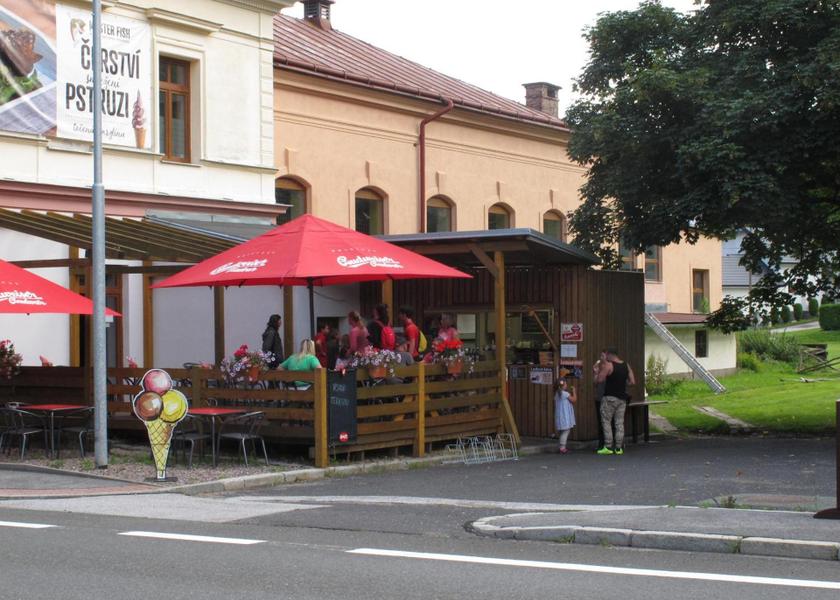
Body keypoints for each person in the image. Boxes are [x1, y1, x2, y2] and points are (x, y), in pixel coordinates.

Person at [595, 347, 636, 455]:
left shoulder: (609, 365)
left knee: (606, 422)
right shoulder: (626, 365)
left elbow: (599, 380)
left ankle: (608, 446)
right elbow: (632, 382)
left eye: (606, 355)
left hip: (609, 398)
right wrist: (622, 383)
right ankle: (618, 448)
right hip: (622, 399)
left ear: (609, 355)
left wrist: (597, 371)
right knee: (619, 423)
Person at [554, 378, 577, 454]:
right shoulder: (565, 394)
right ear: (563, 386)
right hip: (565, 415)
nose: (567, 385)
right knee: (566, 430)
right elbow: (574, 400)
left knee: (562, 431)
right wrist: (574, 391)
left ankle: (560, 446)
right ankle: (562, 447)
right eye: (566, 384)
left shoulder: (557, 394)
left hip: (560, 415)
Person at [592, 349, 607, 451]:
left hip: (608, 399)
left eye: (603, 356)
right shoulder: (600, 368)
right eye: (600, 356)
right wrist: (596, 373)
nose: (601, 358)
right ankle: (601, 444)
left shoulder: (610, 368)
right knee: (601, 422)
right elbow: (595, 383)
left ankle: (609, 444)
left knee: (608, 422)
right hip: (599, 398)